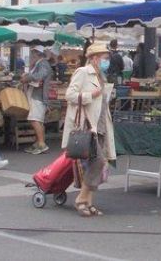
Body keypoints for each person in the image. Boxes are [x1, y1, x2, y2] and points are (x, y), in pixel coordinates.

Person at [63, 42, 115, 217]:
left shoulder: (101, 76)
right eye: (104, 58)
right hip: (87, 125)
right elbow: (70, 95)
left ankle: (89, 202)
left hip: (100, 125)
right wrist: (89, 96)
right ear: (94, 58)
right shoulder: (83, 72)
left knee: (95, 164)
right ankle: (81, 199)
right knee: (98, 161)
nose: (107, 61)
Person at [20, 46, 53, 154]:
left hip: (38, 96)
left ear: (37, 54)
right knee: (37, 120)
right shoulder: (40, 63)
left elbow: (40, 76)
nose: (31, 55)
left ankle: (42, 144)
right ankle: (38, 143)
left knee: (34, 120)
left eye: (33, 53)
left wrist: (27, 77)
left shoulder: (42, 63)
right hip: (37, 95)